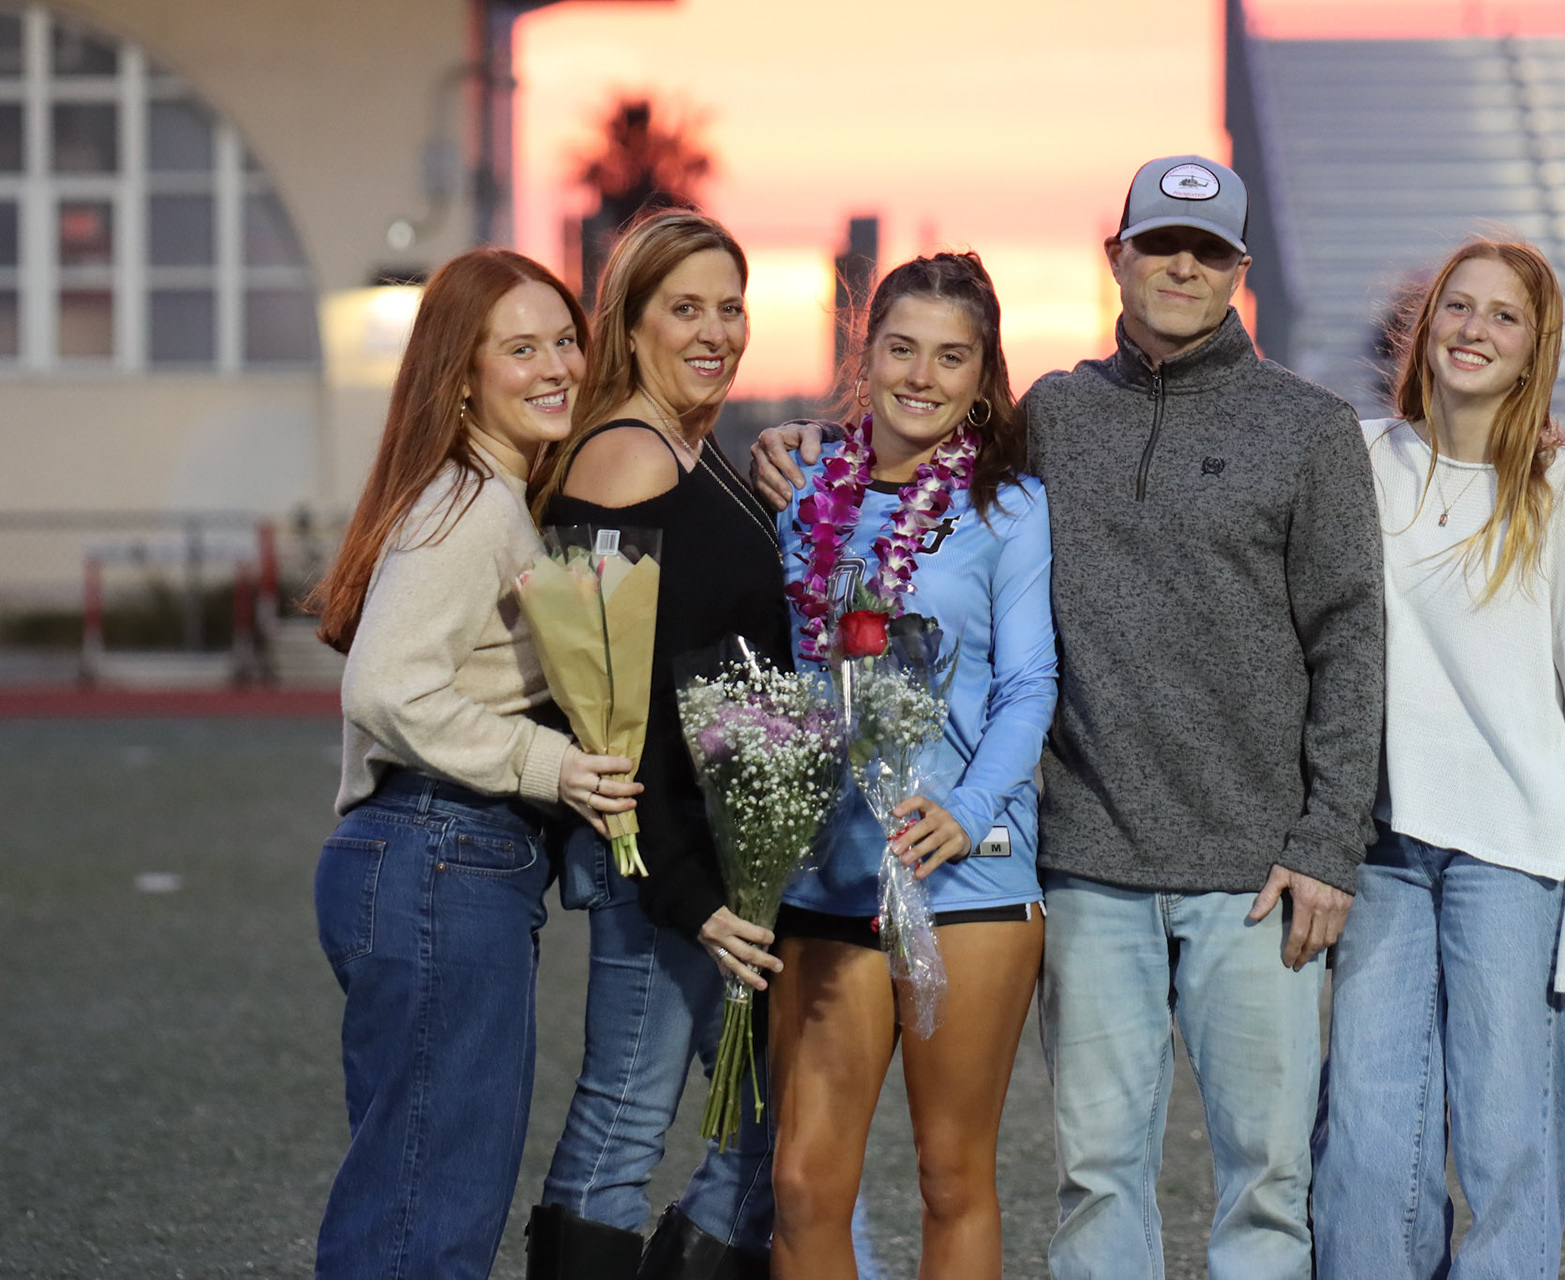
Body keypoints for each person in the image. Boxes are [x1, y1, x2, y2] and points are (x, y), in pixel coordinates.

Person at [753, 156, 1384, 1280]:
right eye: (1159, 244)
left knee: (1266, 1184)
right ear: (1117, 258)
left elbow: (1351, 641)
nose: (1181, 267)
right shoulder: (1056, 414)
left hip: (1253, 872)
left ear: (1239, 269)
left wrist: (1328, 841)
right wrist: (805, 439)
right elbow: (915, 446)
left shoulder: (1310, 428)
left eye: (1207, 251)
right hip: (1091, 863)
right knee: (1095, 1178)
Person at [307, 247, 642, 1280]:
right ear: (461, 374)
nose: (556, 367)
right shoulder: (468, 504)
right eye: (520, 348)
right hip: (439, 855)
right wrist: (550, 763)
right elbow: (384, 687)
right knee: (423, 1224)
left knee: (414, 1199)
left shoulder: (485, 493)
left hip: (433, 859)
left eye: (565, 341)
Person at [1311, 237, 1565, 1279]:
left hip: (1514, 860)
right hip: (1381, 852)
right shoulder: (1358, 458)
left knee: (1507, 1151)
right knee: (1365, 1149)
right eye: (1458, 306)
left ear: (1536, 347)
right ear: (1425, 325)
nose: (1475, 330)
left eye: (1505, 316)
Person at [765, 252, 1056, 1280]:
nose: (921, 376)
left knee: (949, 1173)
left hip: (965, 876)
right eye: (901, 348)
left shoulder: (1009, 508)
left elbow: (1029, 683)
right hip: (828, 876)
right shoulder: (804, 489)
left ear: (984, 376)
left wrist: (967, 807)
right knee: (803, 1182)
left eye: (950, 356)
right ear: (866, 353)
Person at [525, 209, 788, 1280]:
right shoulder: (621, 460)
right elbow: (604, 707)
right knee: (627, 1120)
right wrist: (685, 887)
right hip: (655, 865)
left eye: (731, 307)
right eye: (686, 309)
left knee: (765, 1127)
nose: (716, 331)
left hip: (719, 855)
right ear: (631, 327)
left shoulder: (693, 448)